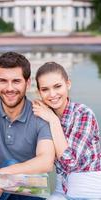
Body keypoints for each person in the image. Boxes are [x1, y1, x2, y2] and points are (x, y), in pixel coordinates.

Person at [0, 52, 55, 200]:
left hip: (31, 191)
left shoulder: (41, 114)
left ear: (27, 83)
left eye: (16, 81)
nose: (9, 88)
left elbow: (46, 161)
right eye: (3, 81)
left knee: (13, 166)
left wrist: (3, 175)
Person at [32, 62, 101, 200]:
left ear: (68, 84)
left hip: (90, 191)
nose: (52, 94)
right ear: (39, 92)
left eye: (57, 86)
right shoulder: (42, 117)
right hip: (62, 190)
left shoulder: (83, 114)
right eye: (45, 89)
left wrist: (53, 120)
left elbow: (71, 163)